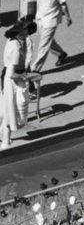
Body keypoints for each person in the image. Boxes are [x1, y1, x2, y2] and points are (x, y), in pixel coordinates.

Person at [32, 0, 73, 83]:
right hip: (40, 18)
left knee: (43, 45)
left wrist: (68, 18)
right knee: (46, 40)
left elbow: (63, 4)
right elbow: (38, 1)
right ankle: (60, 53)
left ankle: (35, 70)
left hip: (51, 20)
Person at [0, 20, 35, 149]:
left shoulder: (11, 41)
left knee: (7, 109)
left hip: (6, 79)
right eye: (24, 34)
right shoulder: (16, 48)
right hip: (12, 81)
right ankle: (5, 143)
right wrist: (24, 78)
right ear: (19, 33)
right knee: (11, 112)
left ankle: (4, 137)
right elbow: (11, 74)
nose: (26, 36)